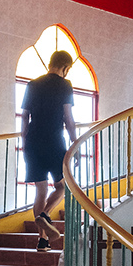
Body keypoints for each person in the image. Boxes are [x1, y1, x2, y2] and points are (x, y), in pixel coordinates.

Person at [20, 49, 78, 250]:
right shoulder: (65, 85)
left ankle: (42, 240)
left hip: (33, 142)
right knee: (63, 186)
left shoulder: (32, 84)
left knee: (40, 190)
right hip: (54, 140)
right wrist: (74, 142)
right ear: (66, 67)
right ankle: (45, 214)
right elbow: (68, 118)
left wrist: (25, 142)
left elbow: (24, 116)